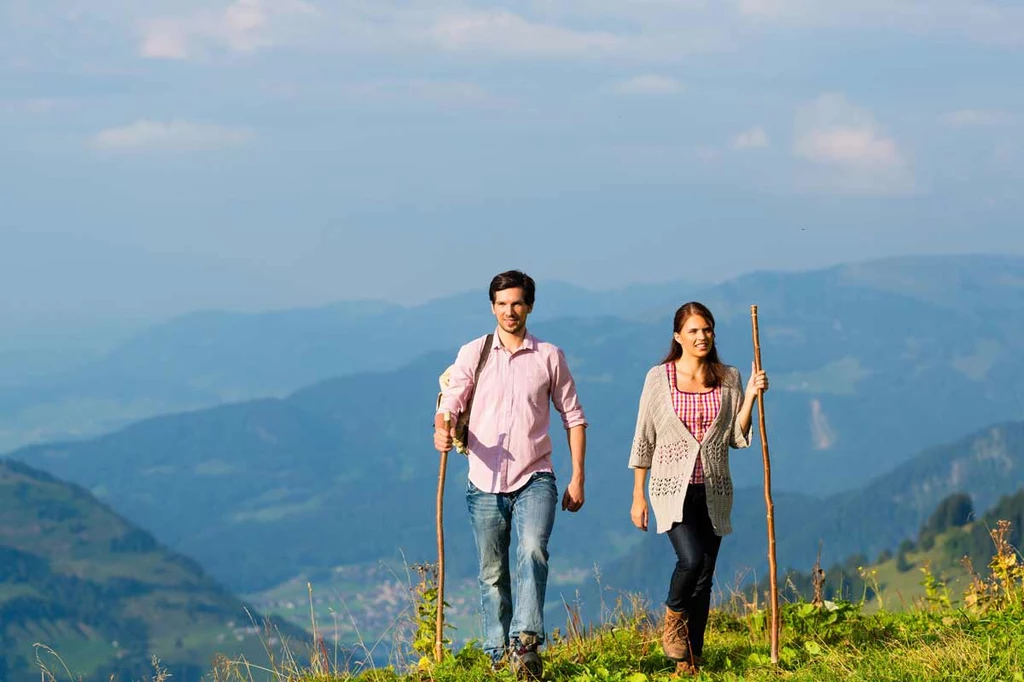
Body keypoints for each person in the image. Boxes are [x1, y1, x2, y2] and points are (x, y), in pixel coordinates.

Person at [435, 270, 587, 677]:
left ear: (530, 306)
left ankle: (525, 644)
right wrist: (442, 424)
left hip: (535, 475)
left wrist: (577, 478)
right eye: (502, 304)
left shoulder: (549, 356)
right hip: (483, 481)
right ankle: (496, 654)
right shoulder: (474, 352)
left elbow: (573, 417)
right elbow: (453, 396)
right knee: (492, 573)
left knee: (533, 549)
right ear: (492, 307)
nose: (510, 311)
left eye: (517, 303)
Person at [627, 301, 768, 675]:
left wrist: (751, 394)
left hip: (715, 488)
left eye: (707, 329)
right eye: (693, 330)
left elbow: (736, 437)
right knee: (689, 560)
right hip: (670, 488)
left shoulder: (729, 377)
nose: (702, 336)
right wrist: (638, 494)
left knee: (705, 576)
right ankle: (673, 618)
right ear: (678, 336)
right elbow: (644, 437)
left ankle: (691, 659)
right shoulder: (658, 378)